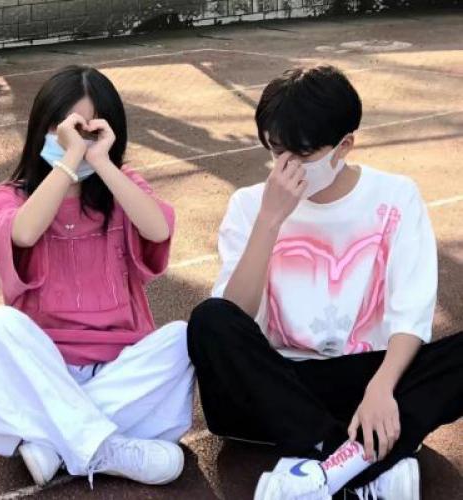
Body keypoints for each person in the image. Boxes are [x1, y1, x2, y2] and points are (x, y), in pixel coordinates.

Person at [186, 65, 463, 499]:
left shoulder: (395, 196)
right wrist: (270, 220)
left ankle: (320, 468)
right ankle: (364, 461)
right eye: (277, 151)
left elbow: (412, 309)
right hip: (275, 386)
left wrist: (382, 387)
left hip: (366, 381)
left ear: (344, 145)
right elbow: (233, 317)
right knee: (208, 319)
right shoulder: (250, 205)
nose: (287, 167)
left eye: (303, 154)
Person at [0, 65, 194, 489]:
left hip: (119, 367)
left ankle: (58, 443)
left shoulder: (122, 187)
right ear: (44, 127)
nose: (76, 141)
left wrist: (101, 162)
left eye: (88, 131)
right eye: (66, 129)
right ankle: (105, 448)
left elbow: (158, 229)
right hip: (47, 369)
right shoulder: (11, 195)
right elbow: (23, 232)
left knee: (184, 337)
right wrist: (69, 161)